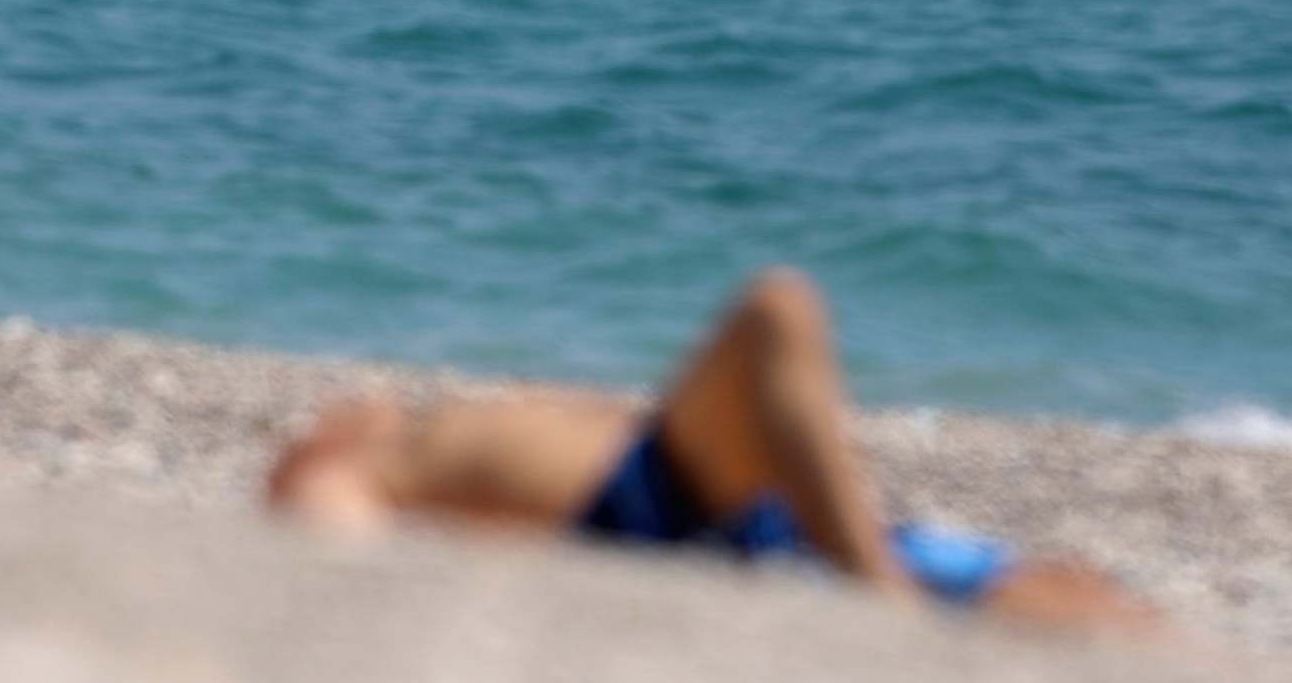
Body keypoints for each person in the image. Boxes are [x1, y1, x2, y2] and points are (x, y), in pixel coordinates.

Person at [266, 268, 1156, 634]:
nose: (339, 403)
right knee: (778, 310)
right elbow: (341, 560)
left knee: (1083, 605)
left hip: (746, 522)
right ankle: (884, 609)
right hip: (644, 502)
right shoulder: (344, 469)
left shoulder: (432, 434)